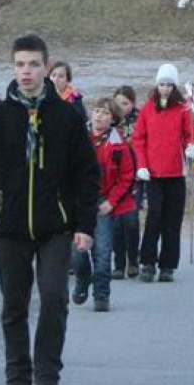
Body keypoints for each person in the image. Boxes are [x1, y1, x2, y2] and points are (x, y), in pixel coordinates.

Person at [0, 32, 98, 385]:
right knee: (14, 306)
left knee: (54, 300)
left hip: (56, 227)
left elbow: (87, 174)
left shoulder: (67, 117)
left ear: (47, 69)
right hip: (11, 227)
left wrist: (85, 225)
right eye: (20, 64)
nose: (26, 72)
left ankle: (47, 382)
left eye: (34, 64)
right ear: (13, 68)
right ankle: (17, 381)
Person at [132, 63, 194, 283]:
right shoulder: (147, 109)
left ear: (174, 86)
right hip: (153, 174)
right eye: (162, 84)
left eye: (169, 85)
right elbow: (139, 139)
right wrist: (141, 165)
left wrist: (193, 147)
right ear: (157, 84)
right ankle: (148, 262)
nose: (165, 88)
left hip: (176, 173)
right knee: (154, 217)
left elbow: (193, 135)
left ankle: (168, 265)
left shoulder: (183, 109)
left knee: (173, 219)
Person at [73, 98, 135, 313]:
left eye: (105, 113)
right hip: (78, 202)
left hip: (102, 205)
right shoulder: (78, 138)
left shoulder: (120, 146)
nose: (99, 115)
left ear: (114, 119)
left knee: (102, 251)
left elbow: (127, 177)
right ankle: (82, 279)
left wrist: (111, 202)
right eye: (97, 111)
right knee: (77, 252)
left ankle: (102, 294)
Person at [111, 85, 142, 279]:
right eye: (118, 103)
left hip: (136, 175)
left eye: (125, 103)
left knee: (131, 221)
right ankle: (119, 263)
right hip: (114, 178)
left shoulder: (139, 120)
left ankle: (133, 259)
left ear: (132, 103)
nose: (121, 107)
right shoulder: (110, 121)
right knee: (116, 224)